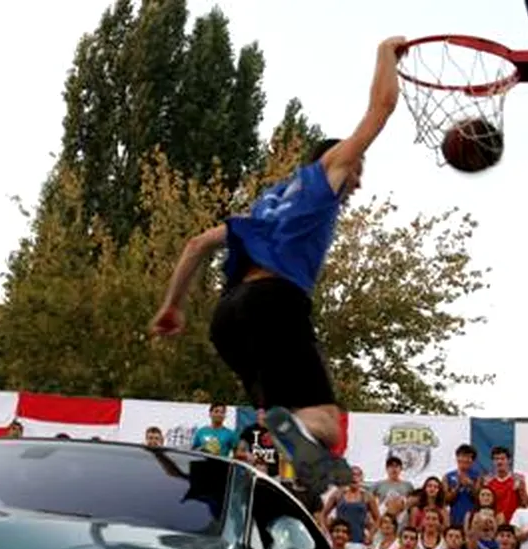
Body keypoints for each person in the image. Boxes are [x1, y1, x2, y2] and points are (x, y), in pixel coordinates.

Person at [150, 36, 408, 506]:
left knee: (302, 426)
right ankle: (289, 441)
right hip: (275, 304)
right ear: (336, 162)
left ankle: (309, 480)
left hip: (228, 320)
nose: (359, 180)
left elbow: (196, 245)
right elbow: (381, 109)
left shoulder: (267, 203)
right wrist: (385, 54)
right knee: (327, 424)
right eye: (357, 169)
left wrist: (172, 306)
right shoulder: (323, 177)